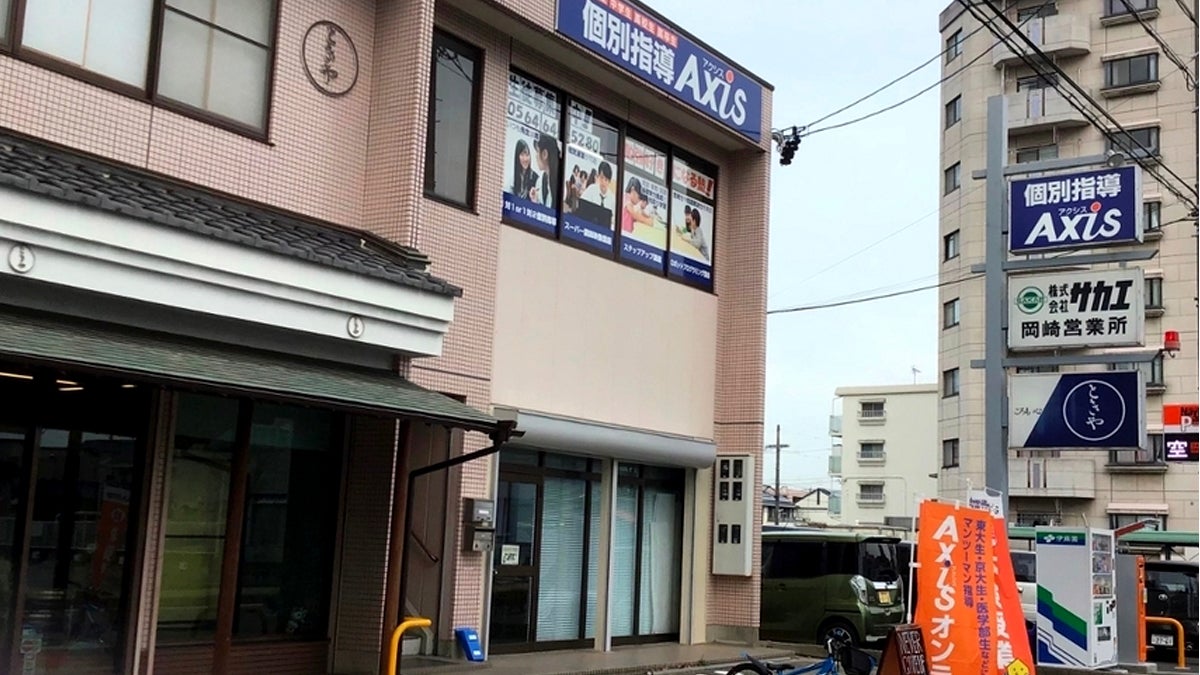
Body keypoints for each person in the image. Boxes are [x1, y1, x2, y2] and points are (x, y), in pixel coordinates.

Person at [529, 133, 558, 207]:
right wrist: (535, 201)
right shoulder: (540, 180)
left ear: (545, 154)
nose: (536, 156)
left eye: (537, 152)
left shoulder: (560, 184)